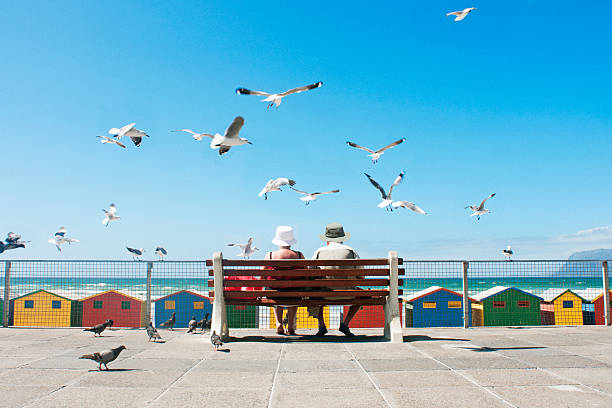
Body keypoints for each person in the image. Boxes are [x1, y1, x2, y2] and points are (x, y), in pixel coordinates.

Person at [310, 223, 361, 337]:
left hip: (324, 294)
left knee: (313, 293)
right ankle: (345, 324)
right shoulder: (351, 251)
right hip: (350, 294)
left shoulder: (319, 251)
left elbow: (311, 274)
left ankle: (322, 325)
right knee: (364, 295)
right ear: (342, 238)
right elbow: (361, 275)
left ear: (327, 239)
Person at [265, 225, 303, 335]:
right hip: (294, 293)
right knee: (295, 290)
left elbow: (262, 277)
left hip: (275, 293)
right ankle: (290, 325)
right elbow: (305, 275)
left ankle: (278, 323)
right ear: (291, 242)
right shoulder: (299, 255)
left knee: (274, 289)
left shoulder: (270, 255)